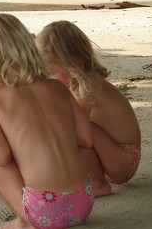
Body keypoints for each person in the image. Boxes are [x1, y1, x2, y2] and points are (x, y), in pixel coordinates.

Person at [0, 13, 95, 229]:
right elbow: (87, 139)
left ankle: (25, 223)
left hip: (47, 213)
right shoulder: (58, 87)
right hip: (84, 203)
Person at [36, 21, 141, 197]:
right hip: (111, 155)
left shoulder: (89, 86)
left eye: (52, 73)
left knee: (80, 130)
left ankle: (98, 183)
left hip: (124, 159)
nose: (50, 79)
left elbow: (75, 129)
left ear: (74, 65)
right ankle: (91, 178)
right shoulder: (77, 83)